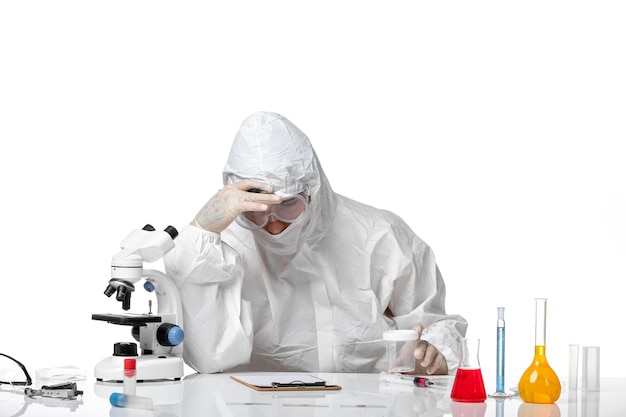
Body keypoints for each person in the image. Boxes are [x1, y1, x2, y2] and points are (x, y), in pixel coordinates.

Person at [164, 111, 467, 375]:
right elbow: (207, 357)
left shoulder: (379, 235)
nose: (273, 223)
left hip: (370, 406)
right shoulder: (218, 252)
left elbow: (432, 323)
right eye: (257, 210)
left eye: (287, 205)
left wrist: (435, 356)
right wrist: (200, 234)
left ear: (313, 190)